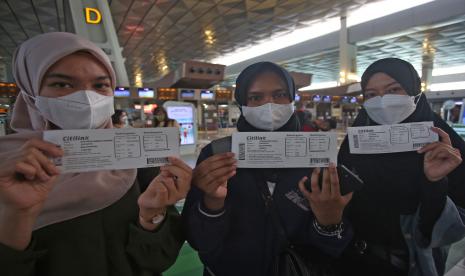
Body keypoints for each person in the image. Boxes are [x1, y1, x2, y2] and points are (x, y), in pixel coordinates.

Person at [0, 32, 192, 276]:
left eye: (100, 85)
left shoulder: (137, 160)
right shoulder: (8, 169)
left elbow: (158, 260)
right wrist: (16, 216)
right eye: (62, 84)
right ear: (30, 91)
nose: (86, 98)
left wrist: (152, 216)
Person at [183, 61, 354, 275]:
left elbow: (333, 249)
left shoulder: (317, 154)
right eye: (256, 97)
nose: (269, 104)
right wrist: (212, 204)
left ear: (292, 99)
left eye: (280, 94)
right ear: (242, 104)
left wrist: (329, 221)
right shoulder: (218, 155)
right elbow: (200, 240)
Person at [337, 58, 465, 275]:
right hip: (355, 260)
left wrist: (434, 182)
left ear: (415, 91)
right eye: (371, 94)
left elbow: (452, 228)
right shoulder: (355, 141)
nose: (383, 101)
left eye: (394, 89)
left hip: (412, 264)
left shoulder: (443, 145)